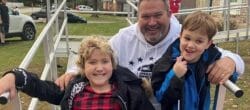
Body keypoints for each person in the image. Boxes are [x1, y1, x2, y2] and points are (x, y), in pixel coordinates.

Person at [56, 0, 245, 109]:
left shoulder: (183, 36)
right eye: (145, 17)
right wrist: (72, 72)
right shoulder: (123, 38)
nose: (152, 22)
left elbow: (220, 53)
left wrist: (231, 61)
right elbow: (95, 57)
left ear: (169, 14)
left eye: (158, 15)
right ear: (138, 16)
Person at [0, 36, 154, 110]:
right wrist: (16, 76)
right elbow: (42, 88)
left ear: (113, 64)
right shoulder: (74, 88)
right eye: (92, 62)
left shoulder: (129, 91)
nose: (99, 68)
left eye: (105, 61)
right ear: (83, 66)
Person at [151, 11, 240, 110]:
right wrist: (175, 75)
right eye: (187, 38)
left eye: (199, 41)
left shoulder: (209, 59)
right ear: (180, 36)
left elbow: (229, 72)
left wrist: (228, 71)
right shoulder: (167, 62)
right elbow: (161, 97)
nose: (190, 45)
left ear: (208, 44)